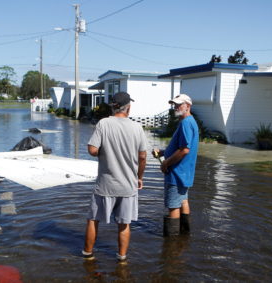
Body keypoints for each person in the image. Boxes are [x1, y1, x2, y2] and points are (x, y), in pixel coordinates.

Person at [83, 91, 147, 263]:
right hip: (128, 186)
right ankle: (122, 258)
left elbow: (92, 150)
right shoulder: (137, 127)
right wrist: (139, 178)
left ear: (113, 107)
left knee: (93, 219)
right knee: (124, 224)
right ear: (128, 108)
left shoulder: (103, 124)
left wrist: (105, 151)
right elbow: (142, 157)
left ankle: (88, 255)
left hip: (105, 184)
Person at [152, 94, 199, 237]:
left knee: (173, 205)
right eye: (174, 105)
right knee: (183, 201)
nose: (175, 107)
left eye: (179, 104)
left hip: (177, 173)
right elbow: (181, 147)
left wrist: (166, 162)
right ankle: (184, 236)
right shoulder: (190, 121)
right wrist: (163, 152)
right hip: (185, 173)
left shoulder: (185, 123)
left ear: (188, 106)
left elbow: (185, 149)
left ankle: (171, 246)